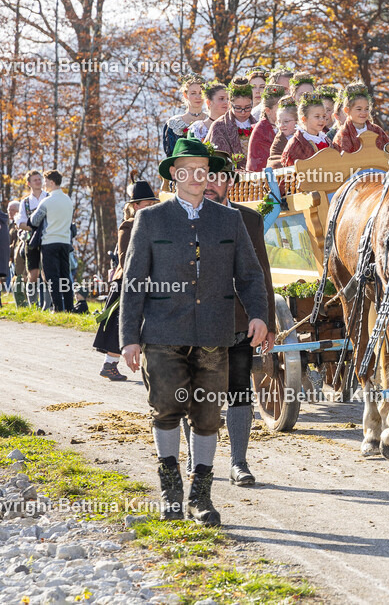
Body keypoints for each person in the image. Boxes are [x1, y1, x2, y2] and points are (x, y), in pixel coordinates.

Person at [119, 136, 270, 526]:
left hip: (215, 335)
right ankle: (170, 491)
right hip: (163, 334)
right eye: (188, 169)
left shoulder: (230, 220)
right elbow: (134, 281)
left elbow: (251, 275)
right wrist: (129, 338)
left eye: (203, 169)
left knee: (207, 417)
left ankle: (200, 497)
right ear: (174, 174)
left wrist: (258, 315)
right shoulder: (149, 220)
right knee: (166, 409)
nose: (197, 176)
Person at [181, 154, 276, 485]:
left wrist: (267, 322)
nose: (210, 184)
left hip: (236, 321)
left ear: (230, 183)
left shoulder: (248, 220)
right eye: (204, 177)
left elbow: (261, 273)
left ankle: (238, 462)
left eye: (218, 178)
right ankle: (196, 460)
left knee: (239, 390)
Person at [93, 180, 159, 381]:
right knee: (121, 324)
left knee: (142, 324)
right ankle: (110, 365)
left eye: (152, 205)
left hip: (147, 280)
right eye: (146, 205)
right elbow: (124, 258)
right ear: (135, 205)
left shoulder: (152, 226)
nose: (150, 208)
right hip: (126, 282)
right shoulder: (128, 226)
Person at [30, 170, 75, 312]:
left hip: (49, 242)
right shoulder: (68, 200)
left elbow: (34, 221)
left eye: (45, 181)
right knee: (65, 276)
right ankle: (69, 307)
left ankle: (57, 308)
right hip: (65, 242)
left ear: (51, 182)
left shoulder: (47, 201)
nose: (44, 185)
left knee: (52, 277)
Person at [205, 77, 256, 169]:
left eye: (247, 107)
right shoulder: (219, 126)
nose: (243, 112)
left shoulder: (258, 125)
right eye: (238, 108)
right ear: (229, 104)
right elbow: (216, 160)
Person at [16, 170, 48, 305]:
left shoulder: (48, 196)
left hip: (48, 239)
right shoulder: (25, 202)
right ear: (29, 183)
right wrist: (35, 228)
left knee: (47, 273)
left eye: (39, 179)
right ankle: (33, 303)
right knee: (33, 273)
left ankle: (47, 304)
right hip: (31, 240)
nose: (38, 182)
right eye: (35, 180)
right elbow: (20, 223)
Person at [281, 92, 337, 168]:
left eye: (324, 116)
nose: (322, 120)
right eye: (317, 116)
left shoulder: (326, 140)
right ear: (304, 119)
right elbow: (291, 173)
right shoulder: (296, 144)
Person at [334, 82, 389, 154]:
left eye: (366, 109)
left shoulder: (377, 130)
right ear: (347, 110)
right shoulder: (342, 135)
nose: (363, 113)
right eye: (359, 109)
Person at [163, 74, 208, 157]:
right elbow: (170, 155)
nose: (198, 97)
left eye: (201, 93)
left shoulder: (211, 120)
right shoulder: (174, 124)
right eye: (193, 93)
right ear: (185, 94)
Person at [246, 85, 284, 171]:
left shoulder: (285, 126)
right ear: (268, 110)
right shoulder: (261, 130)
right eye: (279, 108)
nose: (283, 111)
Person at [266, 96, 297, 169]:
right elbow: (274, 162)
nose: (281, 126)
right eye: (279, 122)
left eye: (286, 122)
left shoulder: (305, 136)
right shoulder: (279, 141)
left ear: (297, 121)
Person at [7, 201, 28, 307]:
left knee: (20, 281)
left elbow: (16, 243)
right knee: (15, 281)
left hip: (20, 257)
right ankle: (20, 304)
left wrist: (8, 249)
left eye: (11, 210)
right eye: (8, 210)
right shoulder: (11, 225)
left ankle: (24, 304)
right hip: (13, 258)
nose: (9, 212)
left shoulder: (20, 225)